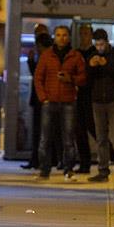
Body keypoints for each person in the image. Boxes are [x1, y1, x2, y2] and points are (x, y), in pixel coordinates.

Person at [34, 25, 86, 180]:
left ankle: (68, 170)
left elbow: (83, 78)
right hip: (49, 102)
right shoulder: (47, 56)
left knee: (69, 138)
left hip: (68, 101)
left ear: (69, 37)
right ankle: (44, 170)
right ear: (54, 37)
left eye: (64, 35)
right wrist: (43, 98)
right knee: (45, 138)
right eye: (58, 35)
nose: (61, 38)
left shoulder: (75, 56)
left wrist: (70, 79)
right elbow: (38, 78)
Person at [86, 29, 114, 183]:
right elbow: (86, 78)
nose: (99, 48)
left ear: (107, 41)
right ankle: (103, 171)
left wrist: (106, 65)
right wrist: (91, 66)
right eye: (97, 45)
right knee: (101, 138)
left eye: (102, 44)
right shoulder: (92, 55)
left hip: (113, 101)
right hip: (97, 102)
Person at [22, 28, 53, 170]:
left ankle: (40, 160)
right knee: (41, 132)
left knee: (41, 132)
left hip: (43, 100)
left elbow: (39, 77)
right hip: (40, 99)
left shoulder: (46, 57)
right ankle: (39, 160)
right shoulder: (44, 57)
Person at [75, 24, 97, 173]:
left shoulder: (95, 53)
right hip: (77, 96)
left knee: (95, 128)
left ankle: (110, 158)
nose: (84, 36)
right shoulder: (75, 53)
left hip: (93, 96)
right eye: (81, 33)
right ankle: (84, 163)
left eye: (86, 33)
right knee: (79, 130)